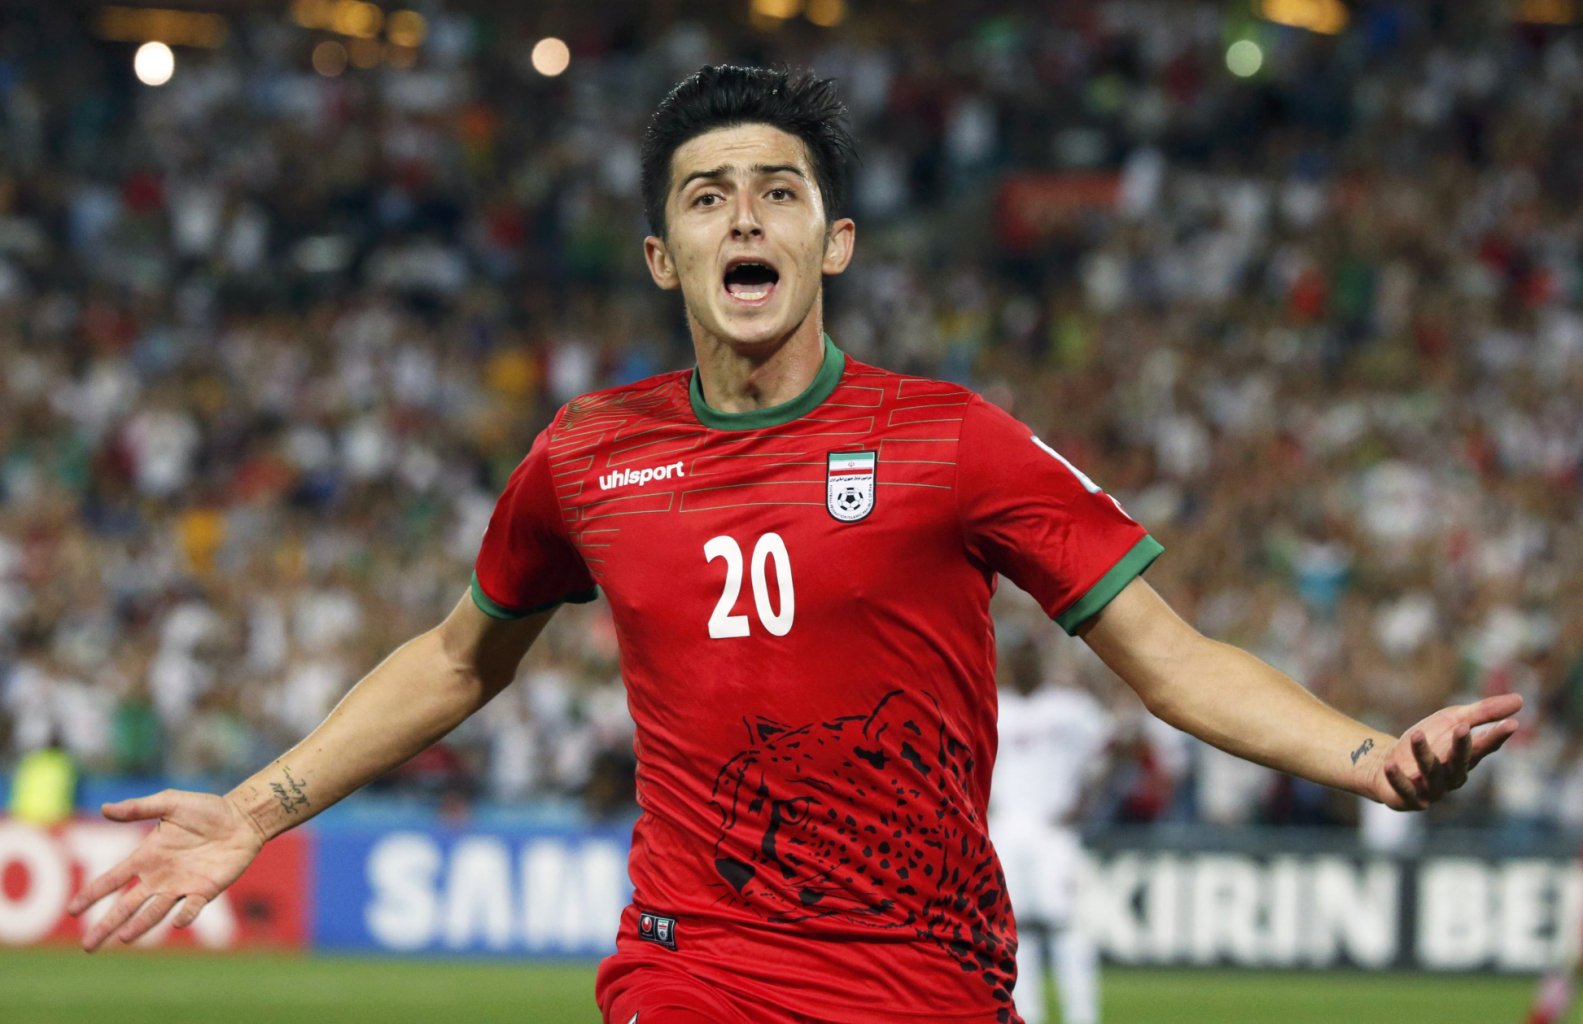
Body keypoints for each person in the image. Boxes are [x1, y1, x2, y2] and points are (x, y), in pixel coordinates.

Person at [68, 65, 1523, 1024]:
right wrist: (254, 808)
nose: (742, 216)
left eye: (778, 190)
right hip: (690, 964)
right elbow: (458, 660)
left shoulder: (952, 440)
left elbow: (1169, 656)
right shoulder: (585, 454)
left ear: (833, 243)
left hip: (924, 972)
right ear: (665, 258)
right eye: (705, 198)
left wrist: (1363, 757)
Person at [990, 641, 1111, 1024]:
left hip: (1052, 830)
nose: (1025, 665)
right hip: (1006, 827)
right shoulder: (996, 705)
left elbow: (1108, 749)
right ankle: (1027, 1013)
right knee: (1014, 928)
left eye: (1030, 657)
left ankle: (1082, 1015)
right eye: (1019, 658)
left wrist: (1085, 801)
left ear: (1041, 663)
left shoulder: (1069, 708)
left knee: (1066, 924)